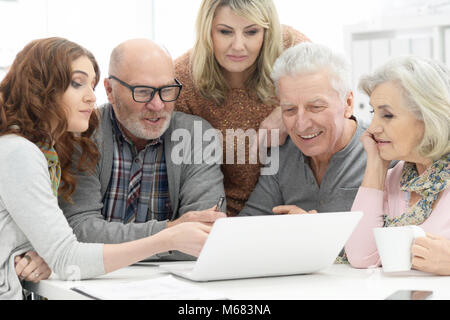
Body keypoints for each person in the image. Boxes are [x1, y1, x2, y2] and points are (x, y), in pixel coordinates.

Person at [0, 37, 218, 300]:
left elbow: (54, 248)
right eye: (77, 83)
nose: (91, 98)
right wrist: (169, 236)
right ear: (40, 87)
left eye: (90, 85)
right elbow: (72, 248)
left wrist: (44, 253)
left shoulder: (42, 152)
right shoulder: (20, 152)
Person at [59, 38, 226, 261]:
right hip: (97, 281)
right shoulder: (83, 134)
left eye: (167, 90)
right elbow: (79, 232)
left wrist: (115, 243)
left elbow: (206, 235)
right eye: (143, 91)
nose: (157, 105)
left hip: (172, 285)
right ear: (110, 91)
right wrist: (171, 233)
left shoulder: (196, 136)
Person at [174, 0, 310, 215]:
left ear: (267, 32)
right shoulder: (183, 79)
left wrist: (285, 111)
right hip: (218, 215)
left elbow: (333, 93)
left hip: (291, 209)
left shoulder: (293, 48)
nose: (238, 45)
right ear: (207, 31)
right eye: (225, 32)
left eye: (251, 32)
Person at [345, 56, 450, 275]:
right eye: (374, 113)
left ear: (429, 116)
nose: (372, 128)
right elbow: (361, 256)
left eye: (388, 115)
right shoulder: (394, 178)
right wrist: (376, 166)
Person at [239, 43, 366, 220]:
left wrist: (309, 234)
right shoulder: (283, 153)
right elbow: (247, 226)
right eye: (289, 110)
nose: (301, 125)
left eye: (315, 107)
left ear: (348, 103)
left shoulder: (383, 152)